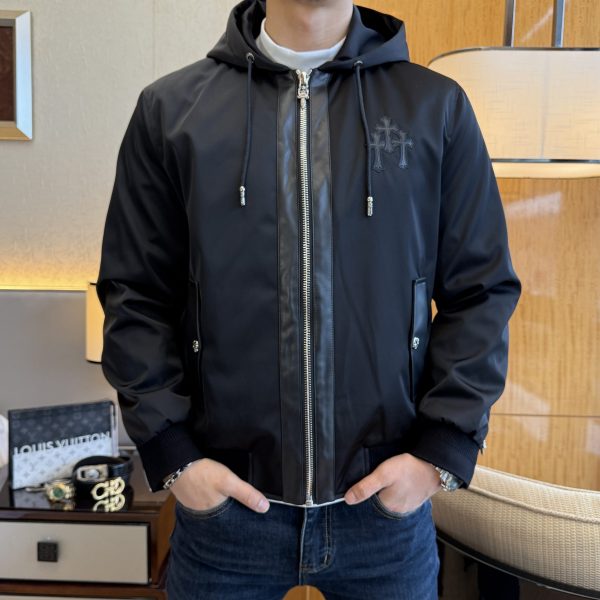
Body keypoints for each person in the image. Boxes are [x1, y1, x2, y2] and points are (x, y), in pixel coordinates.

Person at [96, 0, 521, 598]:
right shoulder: (171, 111)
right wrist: (174, 456)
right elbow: (135, 292)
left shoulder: (435, 107)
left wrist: (439, 454)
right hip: (226, 514)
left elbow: (481, 289)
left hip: (383, 513)